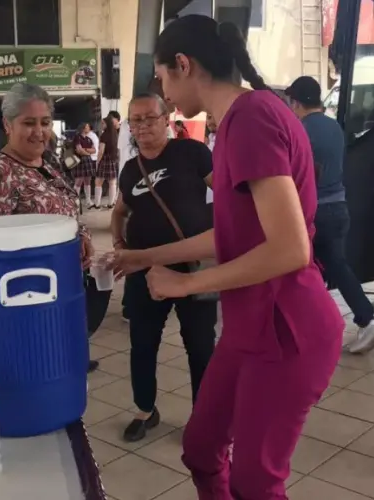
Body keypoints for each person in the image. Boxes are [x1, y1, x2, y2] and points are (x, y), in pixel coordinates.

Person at [111, 16, 343, 499]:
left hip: (287, 331)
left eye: (163, 79)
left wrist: (185, 284)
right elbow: (231, 235)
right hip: (249, 327)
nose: (164, 93)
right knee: (201, 448)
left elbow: (290, 248)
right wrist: (143, 256)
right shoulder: (237, 121)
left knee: (256, 482)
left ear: (183, 64)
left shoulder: (252, 117)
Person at [0, 83, 103, 373]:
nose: (39, 131)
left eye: (45, 122)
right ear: (7, 125)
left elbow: (67, 209)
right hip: (30, 295)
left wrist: (82, 236)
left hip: (64, 286)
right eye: (28, 123)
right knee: (42, 369)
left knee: (66, 369)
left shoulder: (48, 163)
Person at [111, 93, 216, 442]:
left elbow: (228, 196)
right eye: (135, 120)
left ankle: (203, 417)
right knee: (142, 343)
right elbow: (119, 212)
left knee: (200, 346)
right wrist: (119, 246)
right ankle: (145, 409)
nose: (142, 126)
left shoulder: (193, 153)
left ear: (166, 118)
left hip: (193, 269)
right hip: (145, 271)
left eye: (148, 118)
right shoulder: (130, 170)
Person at [286, 75, 374, 354]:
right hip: (339, 209)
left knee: (299, 271)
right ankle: (368, 320)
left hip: (311, 212)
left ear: (295, 102)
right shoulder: (335, 128)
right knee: (337, 268)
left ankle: (309, 331)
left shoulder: (299, 129)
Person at [71, 123, 98, 209]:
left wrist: (85, 150)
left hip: (87, 160)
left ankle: (88, 200)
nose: (89, 128)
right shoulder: (77, 137)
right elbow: (79, 150)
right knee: (79, 181)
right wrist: (87, 152)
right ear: (82, 128)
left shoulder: (89, 139)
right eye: (87, 127)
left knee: (88, 181)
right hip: (80, 161)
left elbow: (94, 150)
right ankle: (74, 201)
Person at [96, 116, 120, 209]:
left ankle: (97, 204)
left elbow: (101, 150)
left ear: (107, 124)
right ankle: (111, 203)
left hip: (105, 159)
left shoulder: (104, 135)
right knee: (112, 183)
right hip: (113, 159)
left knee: (98, 182)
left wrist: (97, 162)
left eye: (103, 123)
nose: (101, 125)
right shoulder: (115, 135)